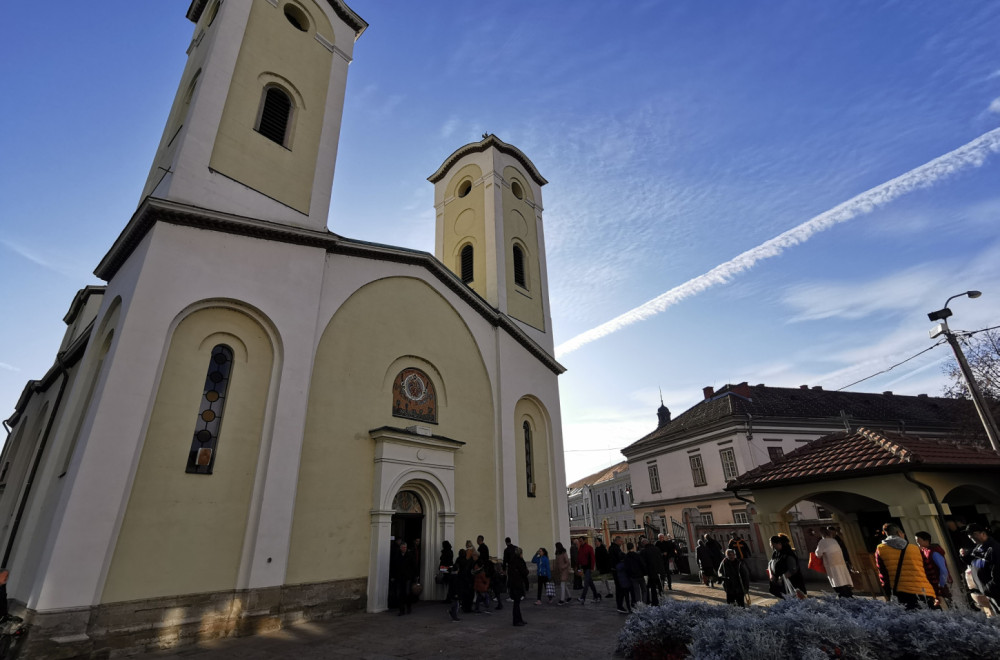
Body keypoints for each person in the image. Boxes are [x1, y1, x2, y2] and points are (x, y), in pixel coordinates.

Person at [875, 523, 935, 610]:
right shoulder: (914, 548)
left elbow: (883, 574)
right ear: (899, 533)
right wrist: (936, 592)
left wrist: (888, 594)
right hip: (924, 590)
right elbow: (928, 569)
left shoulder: (880, 549)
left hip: (901, 593)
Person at [960, 523, 999, 615]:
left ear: (983, 533)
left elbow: (998, 573)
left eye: (973, 534)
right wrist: (964, 556)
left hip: (996, 591)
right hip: (989, 592)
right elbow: (974, 563)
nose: (970, 536)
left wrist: (989, 588)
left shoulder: (994, 549)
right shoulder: (978, 549)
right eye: (969, 534)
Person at [914, 531, 951, 607]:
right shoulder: (925, 551)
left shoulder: (934, 552)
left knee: (948, 604)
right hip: (935, 584)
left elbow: (943, 569)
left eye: (919, 541)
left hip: (941, 584)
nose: (918, 544)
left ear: (926, 540)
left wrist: (942, 584)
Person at [814, 527, 853, 598]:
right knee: (843, 580)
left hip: (832, 564)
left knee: (837, 582)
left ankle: (843, 596)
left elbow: (818, 554)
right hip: (841, 563)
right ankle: (848, 594)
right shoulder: (834, 541)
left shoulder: (822, 542)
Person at [767, 535, 806, 599]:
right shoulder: (776, 553)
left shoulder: (788, 553)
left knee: (796, 601)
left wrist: (783, 577)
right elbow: (770, 563)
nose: (772, 547)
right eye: (771, 545)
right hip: (781, 584)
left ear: (779, 544)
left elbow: (793, 569)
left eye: (773, 545)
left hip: (792, 583)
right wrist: (771, 575)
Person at [390, 541, 418, 615]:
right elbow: (393, 566)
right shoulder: (397, 556)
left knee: (407, 593)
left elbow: (414, 566)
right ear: (400, 548)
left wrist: (414, 576)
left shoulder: (410, 555)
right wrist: (392, 576)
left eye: (405, 547)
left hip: (408, 577)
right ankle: (401, 610)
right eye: (402, 547)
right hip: (399, 577)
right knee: (400, 594)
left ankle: (408, 607)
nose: (404, 548)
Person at [639, 536, 665, 605]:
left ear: (643, 544)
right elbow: (661, 559)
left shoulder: (643, 551)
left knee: (651, 588)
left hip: (650, 573)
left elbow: (643, 564)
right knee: (660, 587)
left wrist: (644, 573)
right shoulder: (657, 549)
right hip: (659, 571)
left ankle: (652, 601)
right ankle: (662, 600)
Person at [508, 547, 529, 626]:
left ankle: (519, 619)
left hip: (513, 584)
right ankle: (516, 620)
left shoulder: (512, 561)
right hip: (518, 583)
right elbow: (524, 572)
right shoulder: (519, 561)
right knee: (517, 603)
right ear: (520, 554)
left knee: (516, 603)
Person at [576, 536, 601, 603]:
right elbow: (578, 559)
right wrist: (578, 569)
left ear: (584, 541)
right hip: (582, 568)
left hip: (588, 568)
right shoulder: (580, 548)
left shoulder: (589, 548)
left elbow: (592, 559)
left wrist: (592, 568)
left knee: (586, 583)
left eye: (581, 541)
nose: (580, 542)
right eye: (579, 541)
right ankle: (596, 596)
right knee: (590, 583)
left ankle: (582, 597)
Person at [624, 542, 646, 606]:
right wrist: (644, 572)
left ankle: (639, 604)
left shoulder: (626, 557)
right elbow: (642, 564)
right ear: (633, 547)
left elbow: (626, 568)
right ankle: (644, 603)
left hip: (633, 577)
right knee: (644, 590)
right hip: (640, 575)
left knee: (637, 591)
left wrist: (629, 575)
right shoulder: (637, 555)